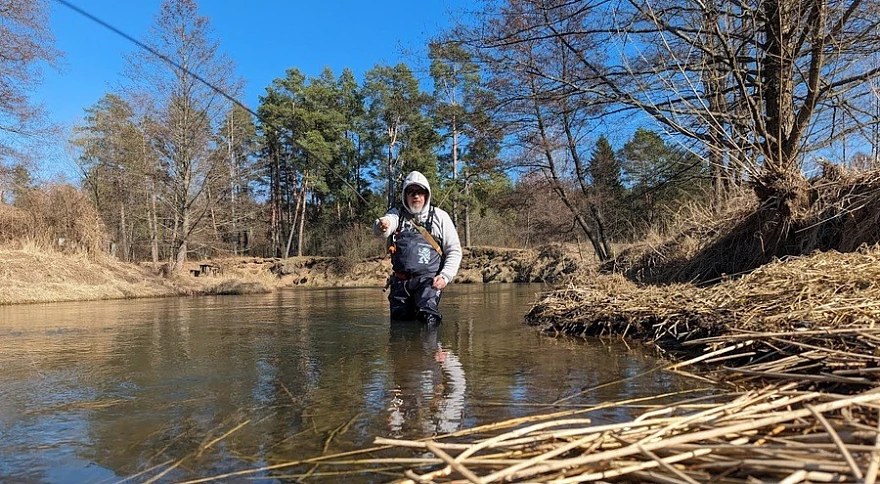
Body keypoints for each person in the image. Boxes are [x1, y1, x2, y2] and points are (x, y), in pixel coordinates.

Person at [373, 171, 462, 325]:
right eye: (411, 192)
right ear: (405, 195)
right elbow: (383, 227)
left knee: (429, 319)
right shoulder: (396, 215)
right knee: (399, 326)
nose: (416, 196)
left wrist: (445, 276)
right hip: (400, 284)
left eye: (420, 192)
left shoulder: (440, 217)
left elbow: (454, 251)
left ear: (426, 195)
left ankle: (433, 340)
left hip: (429, 283)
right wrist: (382, 225)